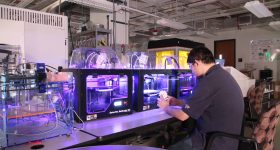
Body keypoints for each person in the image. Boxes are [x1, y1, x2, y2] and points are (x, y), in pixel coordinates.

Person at [157, 46, 244, 150]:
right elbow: (199, 102)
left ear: (196, 63)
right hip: (229, 141)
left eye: (191, 66)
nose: (192, 71)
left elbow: (183, 116)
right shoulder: (221, 74)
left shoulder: (208, 82)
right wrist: (176, 102)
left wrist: (165, 107)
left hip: (211, 142)